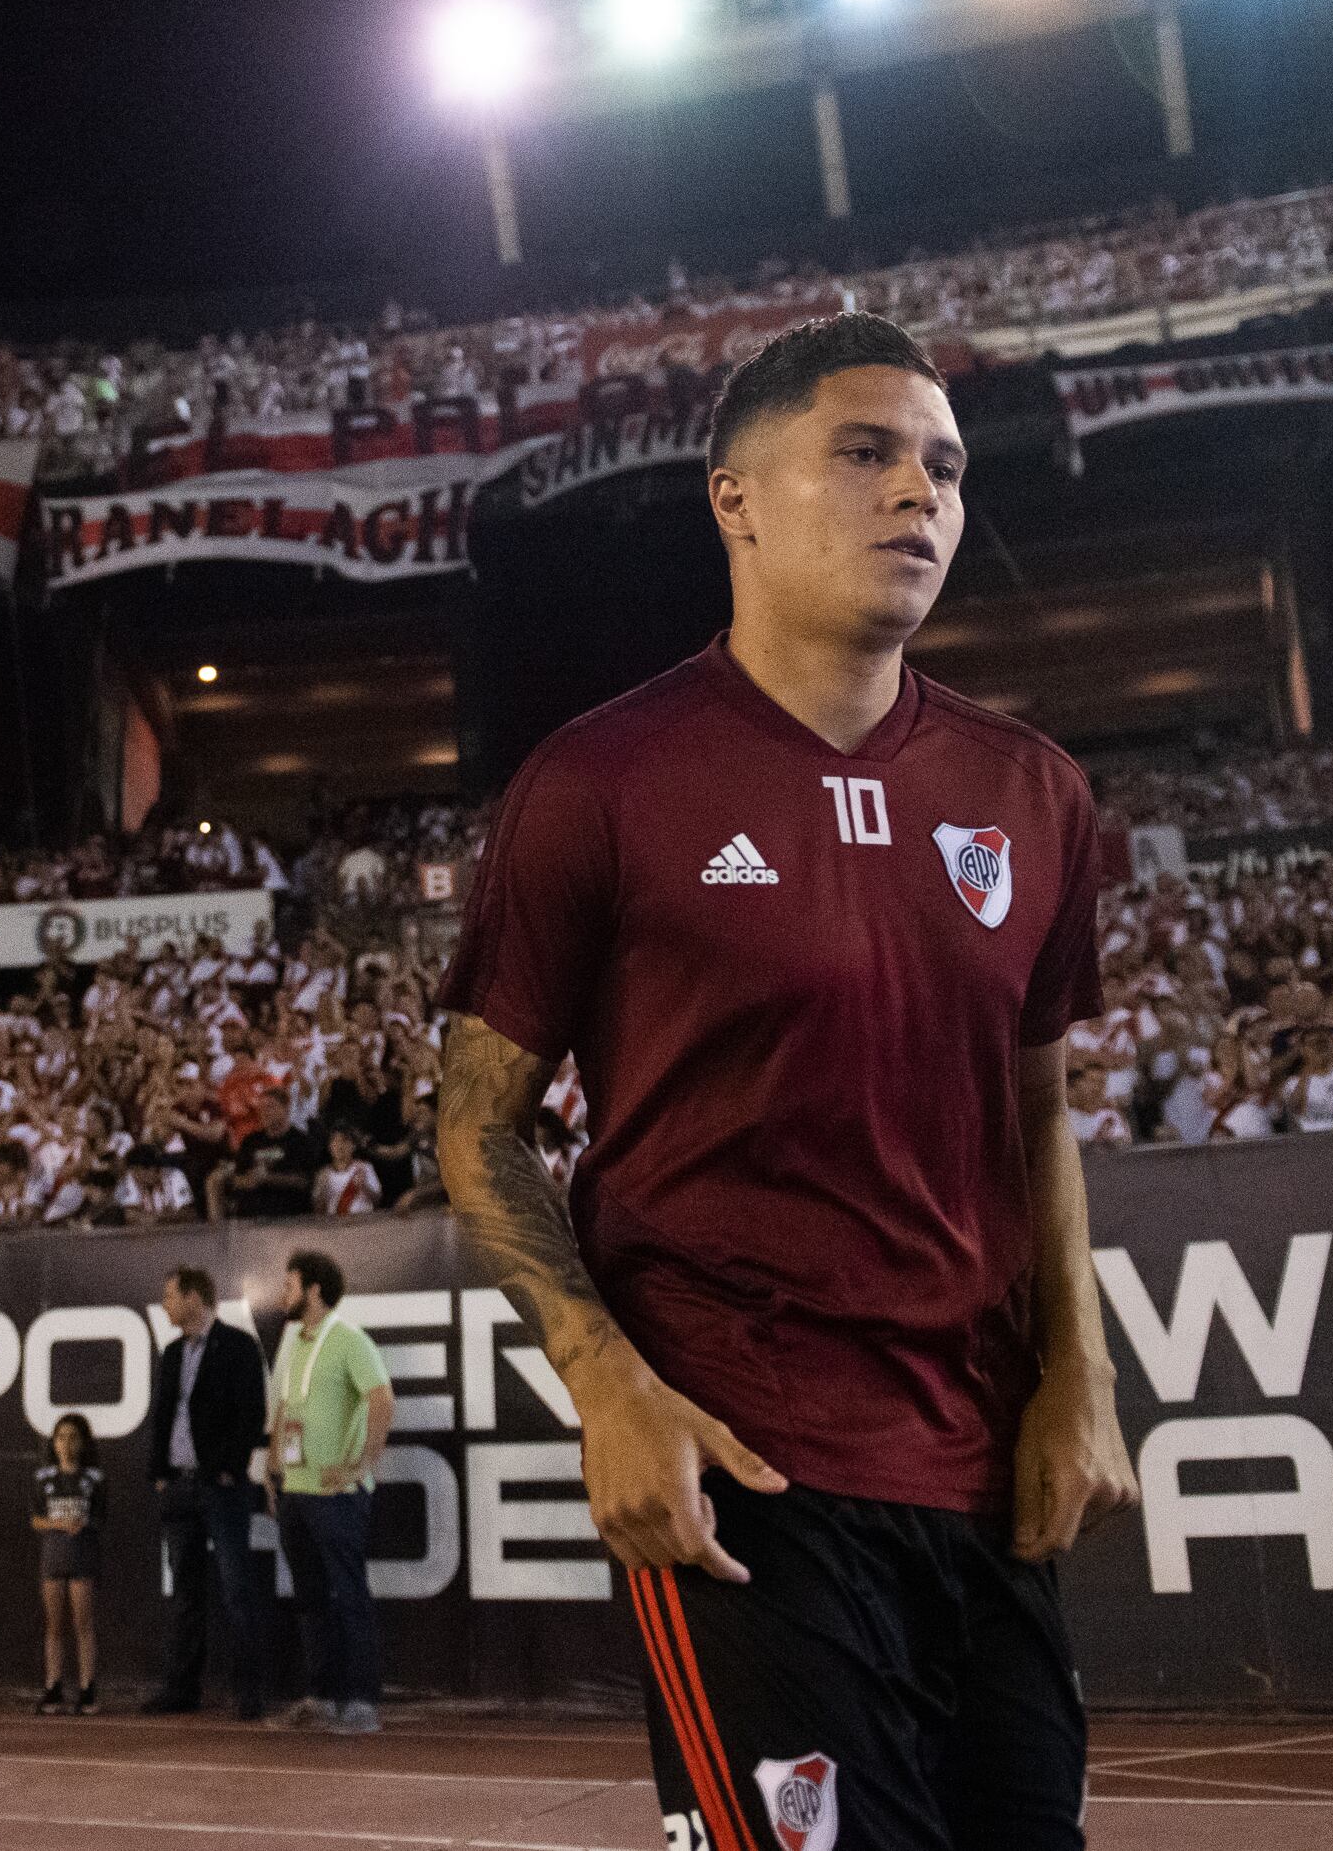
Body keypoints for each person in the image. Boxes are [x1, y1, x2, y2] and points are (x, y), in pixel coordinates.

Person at [436, 314, 1137, 1851]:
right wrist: (606, 1383)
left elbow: (1040, 1111)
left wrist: (1080, 1371)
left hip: (982, 1468)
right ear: (733, 498)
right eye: (869, 452)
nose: (922, 496)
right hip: (747, 1472)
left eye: (946, 468)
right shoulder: (599, 782)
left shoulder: (1034, 790)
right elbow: (476, 1119)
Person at [263, 1249, 393, 1735]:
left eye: (290, 1284)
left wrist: (362, 1464)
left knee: (348, 1594)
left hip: (338, 1495)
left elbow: (382, 1400)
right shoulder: (292, 1339)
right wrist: (271, 1470)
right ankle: (320, 1696)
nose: (283, 1293)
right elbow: (283, 1407)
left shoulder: (350, 1340)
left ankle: (361, 1702)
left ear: (314, 1290)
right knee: (310, 1597)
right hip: (296, 1491)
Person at [138, 1265, 269, 1721]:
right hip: (179, 1486)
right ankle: (181, 1688)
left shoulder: (237, 1346)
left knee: (237, 1587)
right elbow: (163, 1415)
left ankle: (249, 1691)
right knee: (185, 1593)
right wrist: (159, 1471)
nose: (165, 1305)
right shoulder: (172, 1352)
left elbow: (252, 1412)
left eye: (170, 1296)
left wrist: (229, 1468)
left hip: (220, 1486)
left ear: (194, 1297)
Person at [29, 1412, 105, 1715]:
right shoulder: (44, 1479)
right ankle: (53, 1685)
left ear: (83, 1442)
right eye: (60, 1437)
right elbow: (35, 1519)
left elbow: (100, 1517)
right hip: (53, 1557)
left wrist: (82, 1523)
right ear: (54, 1442)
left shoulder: (94, 1479)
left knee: (83, 1623)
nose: (66, 1443)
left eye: (73, 1437)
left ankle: (87, 1687)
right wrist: (57, 1523)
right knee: (54, 1624)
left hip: (82, 1556)